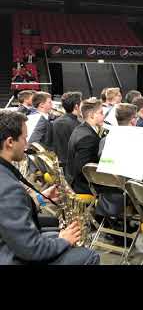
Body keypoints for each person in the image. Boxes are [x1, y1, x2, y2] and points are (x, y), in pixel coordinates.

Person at [0, 110, 99, 265]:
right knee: (89, 255)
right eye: (25, 138)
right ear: (10, 142)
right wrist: (64, 241)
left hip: (9, 243)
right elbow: (30, 249)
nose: (26, 143)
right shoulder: (8, 187)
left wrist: (40, 198)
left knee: (55, 233)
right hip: (8, 256)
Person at [66, 99, 104, 195]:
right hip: (82, 187)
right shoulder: (88, 137)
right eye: (101, 113)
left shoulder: (80, 128)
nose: (103, 116)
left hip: (74, 181)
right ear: (92, 115)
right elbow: (83, 170)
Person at [51, 92, 82, 168]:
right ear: (76, 106)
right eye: (82, 103)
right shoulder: (78, 125)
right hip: (72, 167)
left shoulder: (56, 121)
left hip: (59, 164)